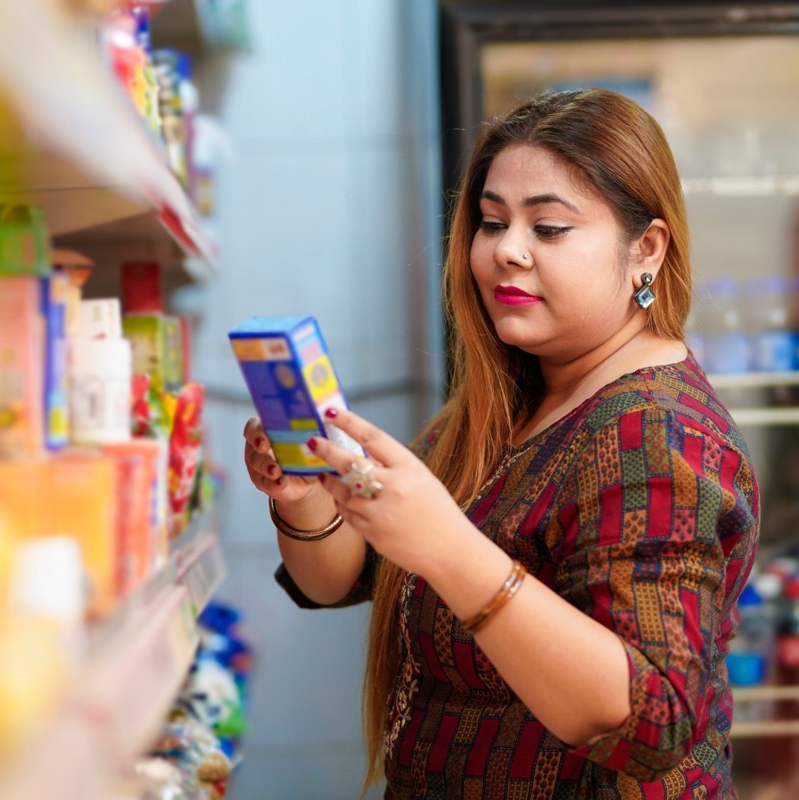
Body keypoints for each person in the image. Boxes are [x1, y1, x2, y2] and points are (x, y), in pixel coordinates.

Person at [242, 89, 760, 799]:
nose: (506, 251)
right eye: (492, 221)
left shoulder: (654, 432)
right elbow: (341, 578)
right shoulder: (515, 401)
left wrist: (447, 546)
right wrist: (306, 502)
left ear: (646, 249)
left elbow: (650, 717)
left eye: (548, 227)